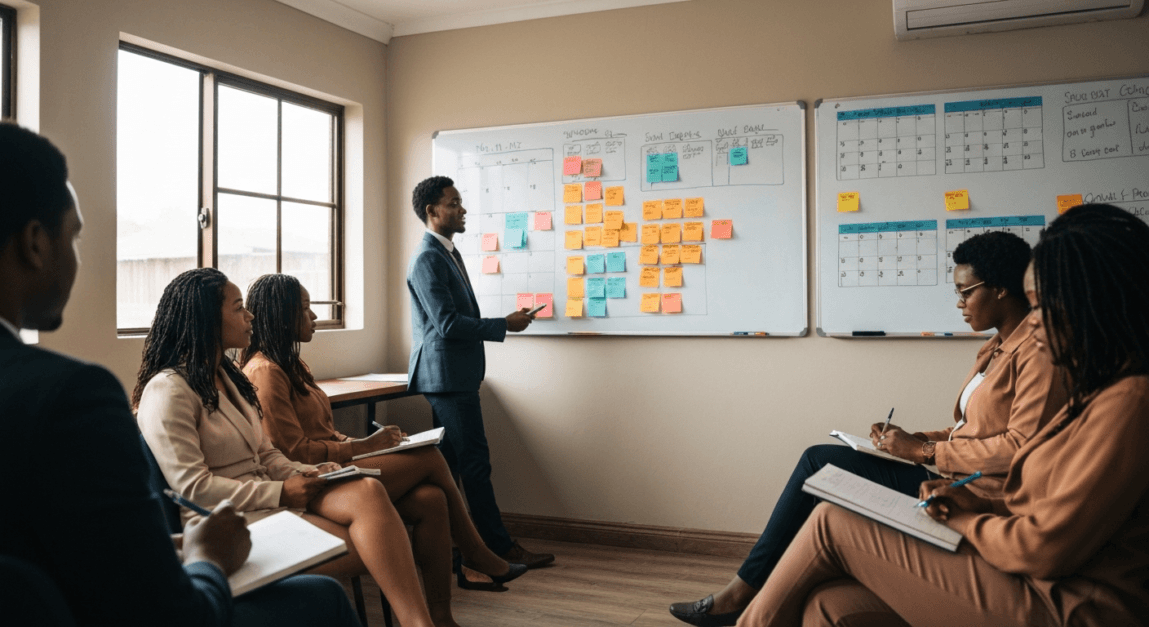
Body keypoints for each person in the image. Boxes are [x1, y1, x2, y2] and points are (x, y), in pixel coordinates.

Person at [0, 122, 359, 627]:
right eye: (74, 237)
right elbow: (169, 611)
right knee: (323, 599)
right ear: (36, 243)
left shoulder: (232, 380)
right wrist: (208, 559)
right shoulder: (72, 397)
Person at [737, 203, 1149, 626]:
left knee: (830, 520)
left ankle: (740, 602)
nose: (1035, 323)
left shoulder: (1130, 401)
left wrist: (962, 508)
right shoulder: (1093, 391)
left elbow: (1040, 544)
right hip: (1021, 558)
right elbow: (1043, 502)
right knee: (827, 605)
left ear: (1097, 301)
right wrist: (954, 484)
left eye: (1044, 306)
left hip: (1067, 603)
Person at [670, 231, 1066, 626]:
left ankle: (741, 596)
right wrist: (910, 441)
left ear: (999, 289)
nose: (959, 302)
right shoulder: (995, 347)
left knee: (819, 464)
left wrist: (924, 453)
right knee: (822, 463)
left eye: (966, 292)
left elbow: (1019, 446)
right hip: (951, 475)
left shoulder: (1037, 351)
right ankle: (752, 593)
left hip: (969, 494)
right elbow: (972, 429)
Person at [134, 268, 442, 627]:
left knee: (369, 491)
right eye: (238, 308)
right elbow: (194, 489)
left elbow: (265, 454)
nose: (249, 316)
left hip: (274, 503)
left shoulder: (229, 377)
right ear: (206, 319)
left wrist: (306, 472)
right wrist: (281, 492)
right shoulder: (167, 390)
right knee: (374, 547)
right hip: (230, 524)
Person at [240, 273, 527, 595]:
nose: (315, 315)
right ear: (281, 314)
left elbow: (326, 434)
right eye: (305, 308)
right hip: (310, 479)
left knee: (431, 500)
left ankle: (442, 613)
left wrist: (377, 444)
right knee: (430, 456)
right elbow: (292, 452)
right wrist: (364, 446)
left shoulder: (293, 365)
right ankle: (475, 554)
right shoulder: (265, 372)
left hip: (334, 467)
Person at [406, 175, 554, 568]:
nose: (462, 209)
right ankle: (497, 549)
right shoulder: (427, 259)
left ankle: (453, 549)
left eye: (460, 202)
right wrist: (503, 324)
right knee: (474, 462)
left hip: (455, 375)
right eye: (453, 203)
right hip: (446, 377)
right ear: (431, 211)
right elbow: (448, 325)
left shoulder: (447, 253)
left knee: (449, 464)